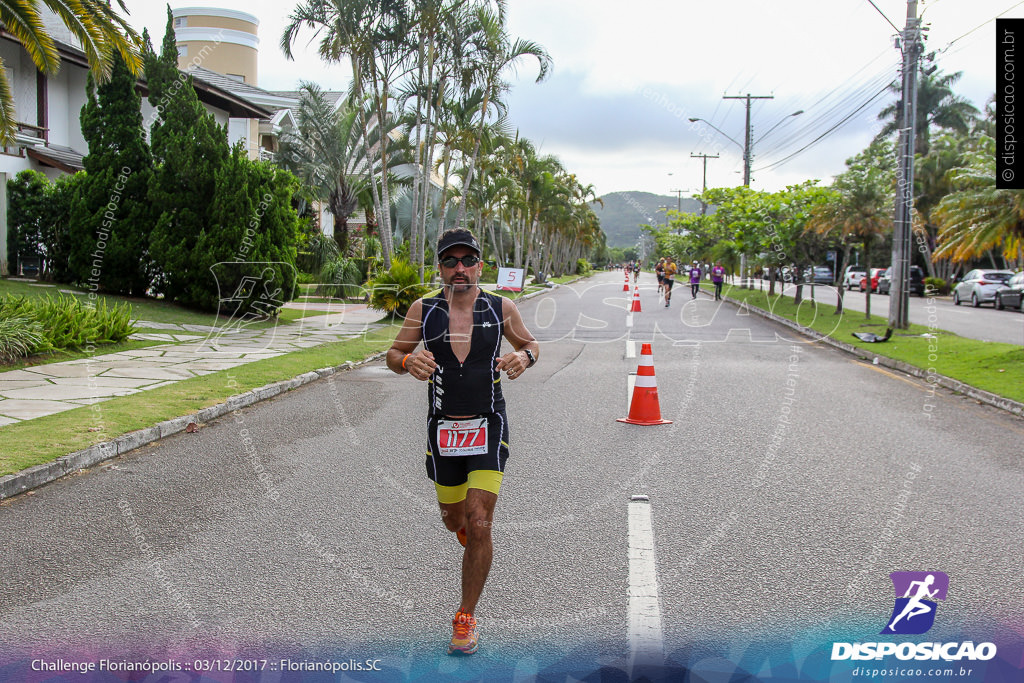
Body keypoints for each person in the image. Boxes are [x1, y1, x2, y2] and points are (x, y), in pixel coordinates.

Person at [387, 228, 539, 656]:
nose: (459, 269)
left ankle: (466, 615)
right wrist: (407, 360)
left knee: (479, 519)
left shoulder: (500, 307)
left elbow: (530, 344)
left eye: (466, 260)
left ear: (479, 265)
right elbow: (393, 355)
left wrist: (523, 357)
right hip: (443, 432)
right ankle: (464, 532)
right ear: (440, 268)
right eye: (450, 261)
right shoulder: (425, 309)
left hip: (489, 426)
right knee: (453, 520)